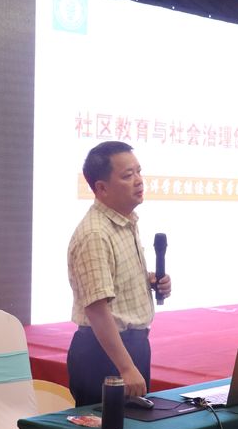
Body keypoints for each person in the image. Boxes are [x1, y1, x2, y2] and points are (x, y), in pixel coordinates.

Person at [66, 141, 172, 406]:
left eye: (139, 172)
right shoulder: (95, 234)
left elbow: (115, 280)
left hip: (131, 346)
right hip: (102, 355)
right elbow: (96, 309)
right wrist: (126, 367)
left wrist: (149, 280)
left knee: (134, 426)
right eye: (127, 175)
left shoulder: (124, 222)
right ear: (101, 188)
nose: (138, 180)